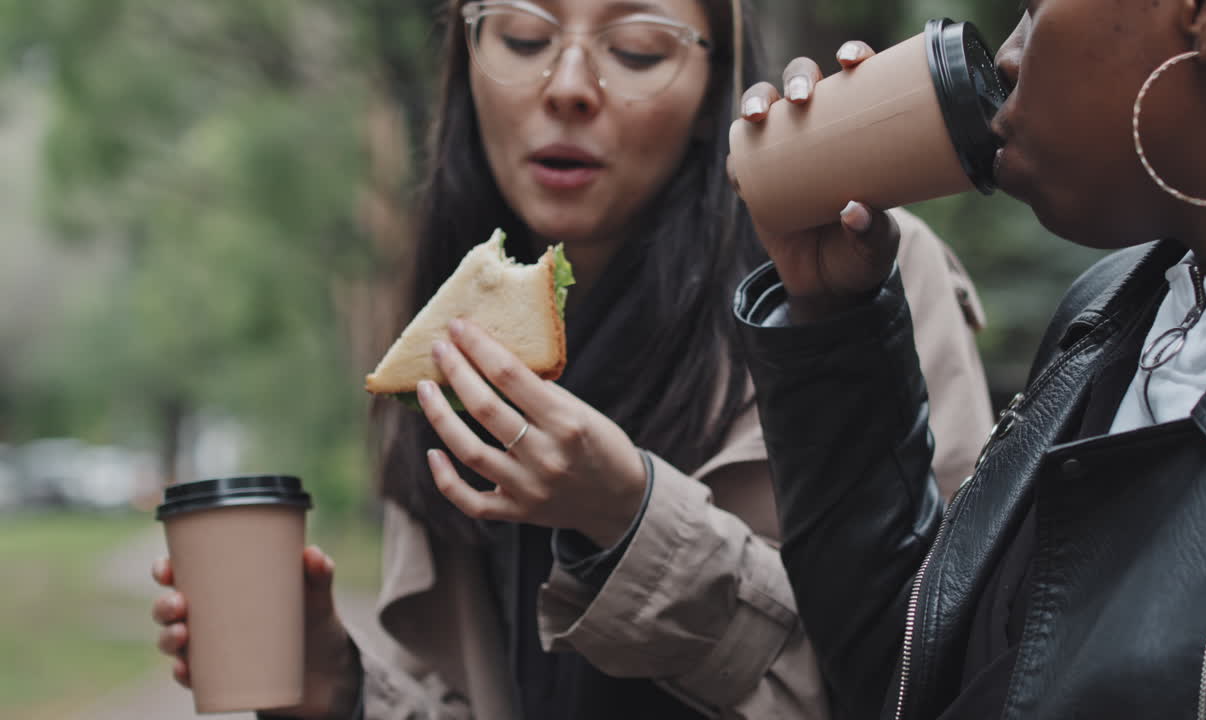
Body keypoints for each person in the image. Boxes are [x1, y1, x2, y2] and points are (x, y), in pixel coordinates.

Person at [150, 0, 993, 718]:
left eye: (636, 49)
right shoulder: (452, 328)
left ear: (712, 88)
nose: (566, 87)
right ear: (465, 58)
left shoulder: (858, 275)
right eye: (522, 36)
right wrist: (336, 685)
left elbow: (945, 678)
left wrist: (629, 518)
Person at [730, 0, 1206, 718]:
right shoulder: (1115, 309)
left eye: (1033, 6)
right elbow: (919, 684)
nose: (1009, 56)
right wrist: (834, 319)